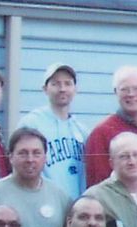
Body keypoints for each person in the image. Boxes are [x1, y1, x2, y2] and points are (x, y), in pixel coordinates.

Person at [84, 64, 137, 191]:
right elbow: (98, 184)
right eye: (124, 89)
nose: (131, 94)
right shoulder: (101, 133)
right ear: (115, 92)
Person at [22, 62, 89, 202]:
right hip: (44, 205)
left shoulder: (82, 131)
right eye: (56, 84)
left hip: (77, 208)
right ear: (45, 89)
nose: (62, 89)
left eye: (68, 83)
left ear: (75, 89)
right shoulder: (32, 124)